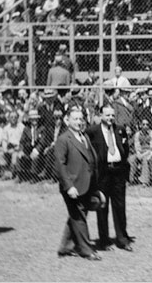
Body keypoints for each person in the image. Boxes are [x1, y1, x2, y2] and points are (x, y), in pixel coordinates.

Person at [54, 108, 104, 260]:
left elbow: (90, 159)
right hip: (73, 186)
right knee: (79, 217)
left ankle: (65, 247)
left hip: (87, 184)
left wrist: (96, 186)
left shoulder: (84, 137)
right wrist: (69, 186)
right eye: (75, 119)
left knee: (76, 215)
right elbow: (60, 166)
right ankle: (86, 249)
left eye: (81, 119)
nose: (78, 122)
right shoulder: (63, 140)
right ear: (67, 120)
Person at [85, 105, 133, 252]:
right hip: (103, 173)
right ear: (101, 116)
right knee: (102, 206)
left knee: (120, 206)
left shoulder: (120, 130)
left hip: (118, 172)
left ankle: (122, 239)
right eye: (107, 115)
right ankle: (104, 240)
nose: (110, 118)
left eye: (112, 115)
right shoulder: (93, 131)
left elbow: (126, 149)